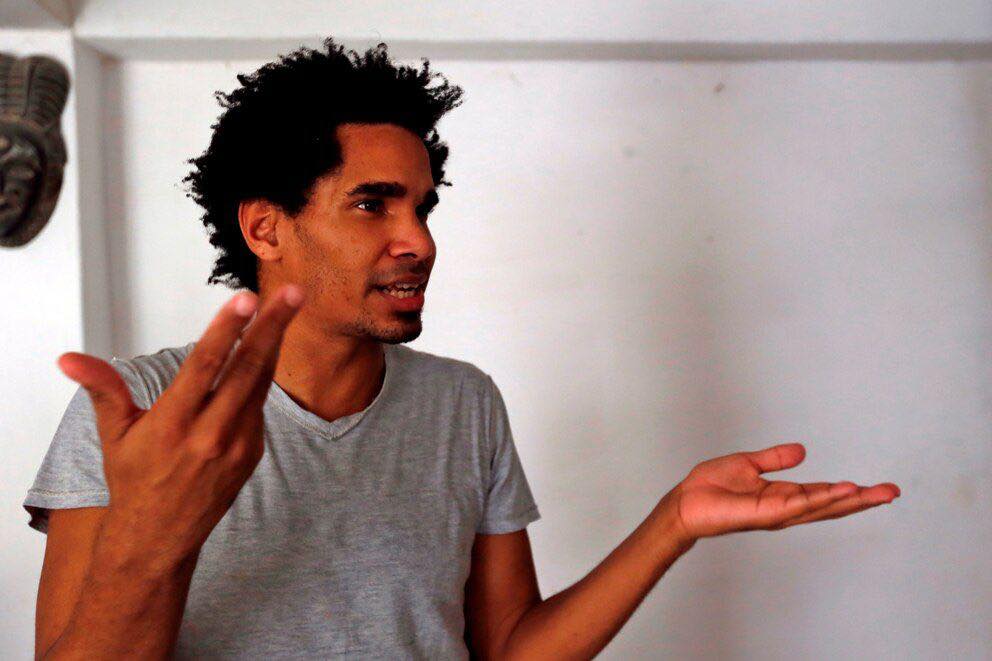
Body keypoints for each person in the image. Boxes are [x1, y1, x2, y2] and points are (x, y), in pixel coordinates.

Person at [23, 37, 901, 660]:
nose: (419, 240)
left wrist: (671, 524)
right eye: (372, 204)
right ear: (266, 227)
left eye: (423, 206)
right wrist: (154, 534)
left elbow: (511, 647)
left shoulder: (463, 402)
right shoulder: (136, 408)